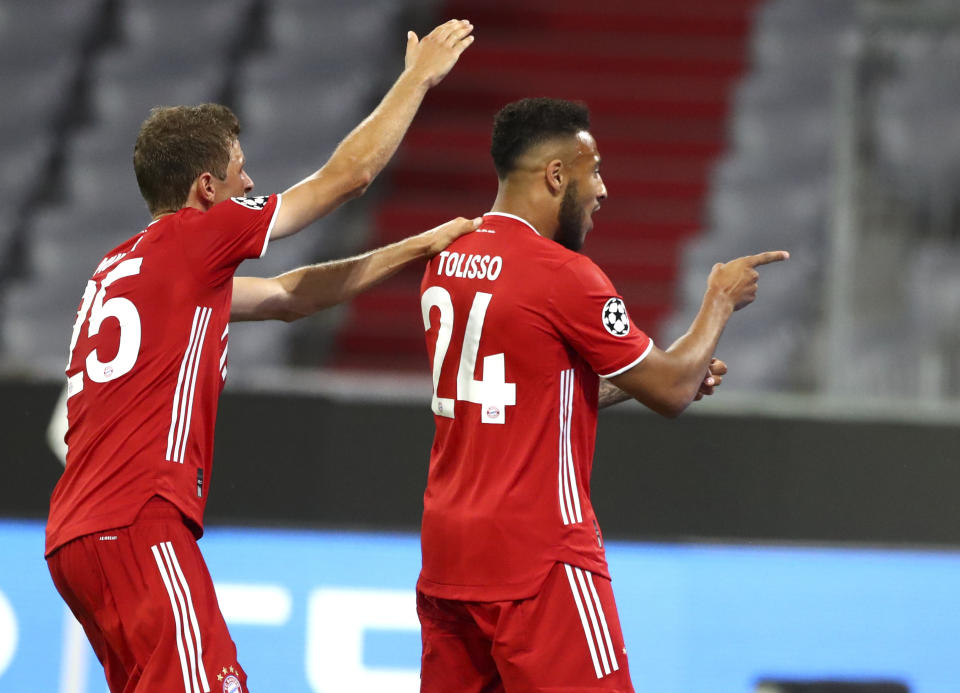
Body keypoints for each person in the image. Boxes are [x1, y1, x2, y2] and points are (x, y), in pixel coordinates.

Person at [45, 19, 475, 693]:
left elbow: (283, 296)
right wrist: (417, 78)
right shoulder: (195, 238)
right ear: (207, 190)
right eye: (244, 178)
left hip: (77, 534)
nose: (255, 188)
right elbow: (348, 177)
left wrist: (412, 249)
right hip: (138, 521)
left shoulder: (121, 267)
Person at [415, 97, 788, 692]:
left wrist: (657, 377)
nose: (603, 190)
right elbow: (668, 389)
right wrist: (718, 300)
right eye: (595, 171)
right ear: (556, 176)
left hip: (448, 561)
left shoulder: (447, 259)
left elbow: (531, 390)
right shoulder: (562, 274)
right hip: (541, 561)